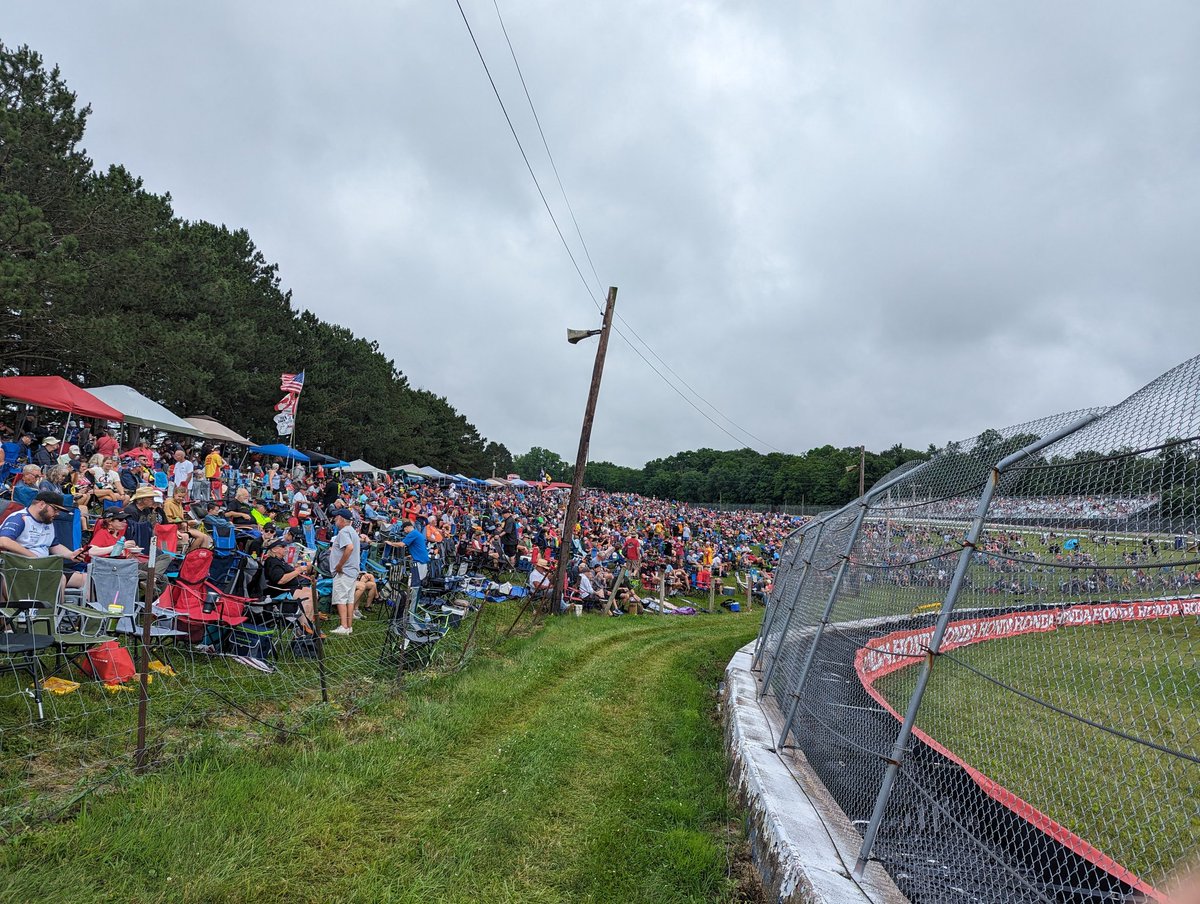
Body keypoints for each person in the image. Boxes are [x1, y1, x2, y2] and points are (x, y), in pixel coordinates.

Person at [0, 490, 86, 588]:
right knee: (59, 579)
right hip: (22, 568)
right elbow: (3, 541)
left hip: (45, 567)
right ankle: (53, 603)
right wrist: (34, 558)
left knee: (86, 579)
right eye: (55, 509)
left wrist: (71, 554)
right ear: (41, 504)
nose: (57, 513)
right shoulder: (20, 518)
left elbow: (54, 545)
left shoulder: (48, 522)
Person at [261, 538, 318, 631]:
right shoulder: (272, 562)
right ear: (274, 549)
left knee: (313, 592)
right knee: (308, 596)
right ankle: (305, 627)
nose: (286, 549)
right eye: (283, 547)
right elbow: (280, 580)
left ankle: (310, 621)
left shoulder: (280, 560)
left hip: (291, 587)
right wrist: (298, 570)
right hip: (280, 591)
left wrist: (299, 568)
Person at [329, 508, 360, 635]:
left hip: (344, 571)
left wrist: (339, 565)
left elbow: (349, 547)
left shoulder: (344, 532)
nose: (335, 520)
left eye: (336, 518)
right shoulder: (352, 531)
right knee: (349, 599)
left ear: (341, 519)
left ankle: (343, 626)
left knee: (341, 598)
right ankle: (349, 626)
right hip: (352, 571)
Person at [398, 519, 430, 586]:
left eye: (404, 529)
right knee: (420, 581)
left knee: (416, 582)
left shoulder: (412, 533)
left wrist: (390, 543)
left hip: (419, 561)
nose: (404, 531)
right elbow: (418, 547)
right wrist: (412, 555)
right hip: (423, 559)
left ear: (407, 527)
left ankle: (414, 596)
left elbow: (401, 544)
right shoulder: (417, 533)